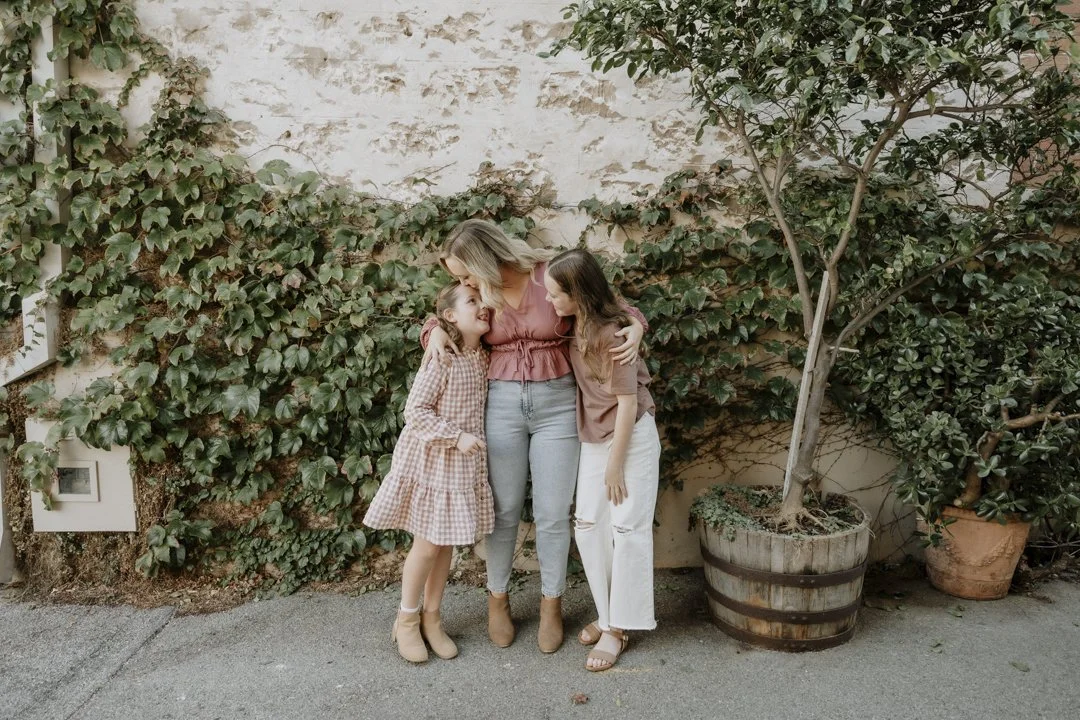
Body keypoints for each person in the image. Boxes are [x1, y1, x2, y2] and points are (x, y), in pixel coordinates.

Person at [423, 219, 646, 653]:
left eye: (466, 272)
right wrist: (430, 331)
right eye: (459, 278)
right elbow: (445, 313)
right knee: (504, 509)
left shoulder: (549, 275)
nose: (464, 282)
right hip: (501, 403)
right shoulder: (478, 293)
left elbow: (607, 305)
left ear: (485, 258)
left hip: (558, 402)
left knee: (551, 511)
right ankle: (498, 598)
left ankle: (551, 603)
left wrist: (635, 325)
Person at [363, 282, 494, 663]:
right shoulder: (442, 357)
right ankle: (406, 618)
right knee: (426, 545)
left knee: (446, 544)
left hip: (461, 467)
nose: (482, 306)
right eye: (472, 302)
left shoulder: (481, 355)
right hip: (434, 460)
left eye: (483, 301)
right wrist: (456, 437)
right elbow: (415, 411)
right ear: (450, 316)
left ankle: (432, 617)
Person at [543, 248, 660, 672]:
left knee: (627, 528)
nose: (550, 301)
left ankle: (618, 629)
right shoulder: (572, 324)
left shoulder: (612, 336)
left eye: (557, 294)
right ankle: (608, 615)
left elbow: (627, 405)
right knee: (589, 526)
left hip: (630, 438)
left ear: (578, 293)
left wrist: (615, 462)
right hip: (594, 436)